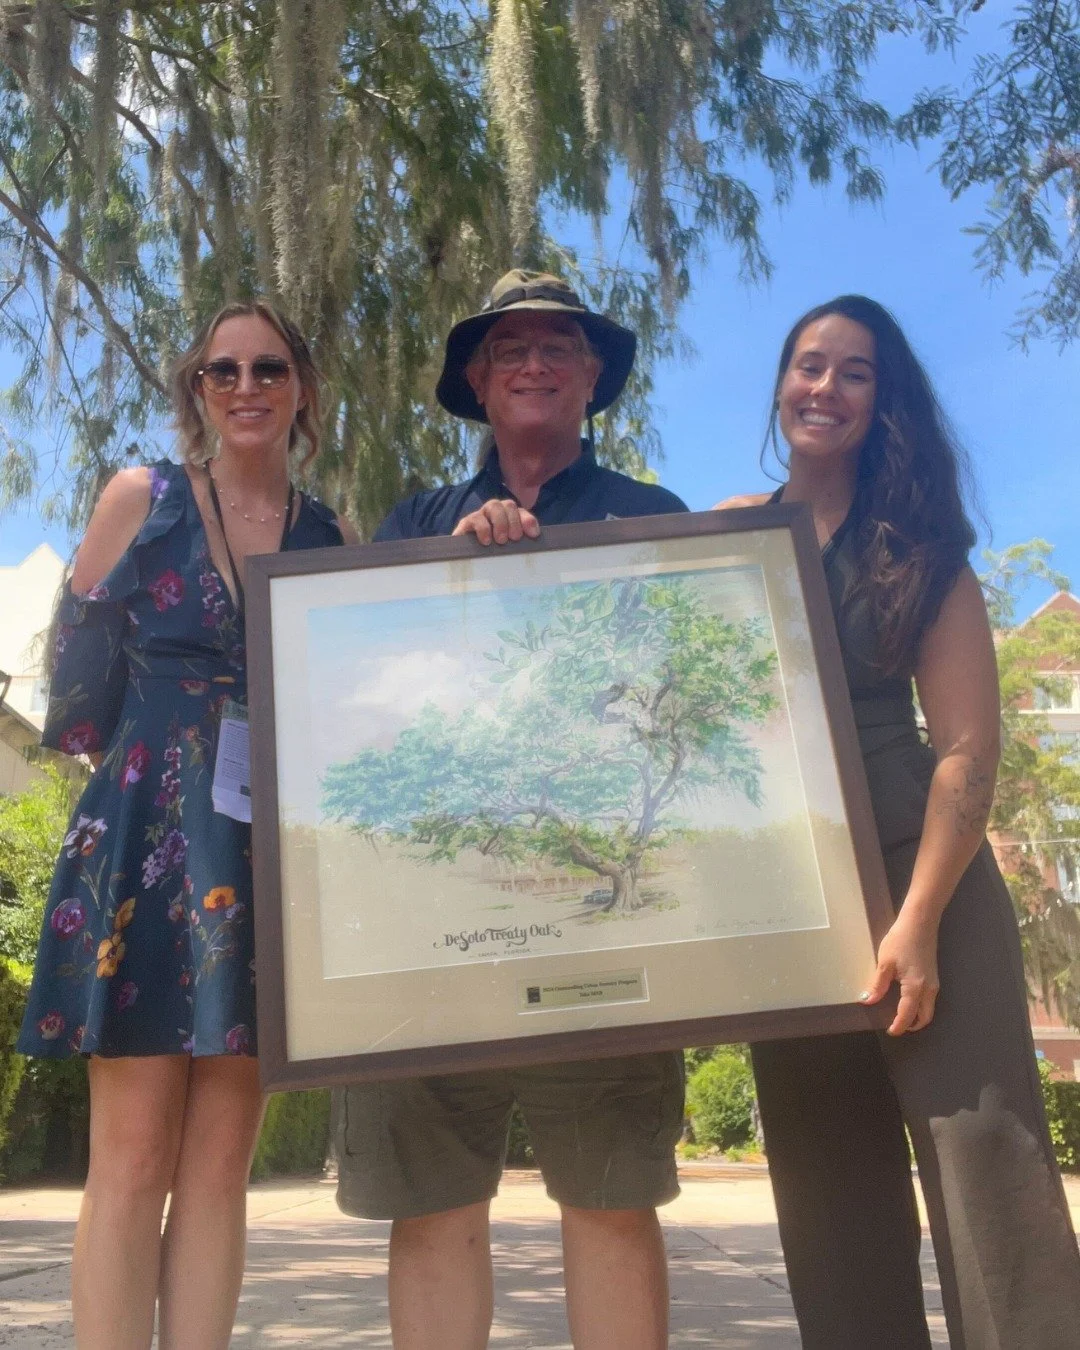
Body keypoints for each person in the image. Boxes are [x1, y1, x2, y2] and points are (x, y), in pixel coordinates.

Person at [715, 294, 1080, 1349]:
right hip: (790, 894)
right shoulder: (735, 528)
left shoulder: (922, 552)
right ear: (782, 384)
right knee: (828, 1193)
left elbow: (968, 750)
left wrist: (917, 920)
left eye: (854, 372)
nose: (824, 386)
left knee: (987, 1169)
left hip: (926, 879)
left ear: (884, 402)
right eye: (808, 365)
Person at [334, 269, 688, 1350]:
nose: (534, 364)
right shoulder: (415, 524)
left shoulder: (652, 521)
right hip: (439, 933)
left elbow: (695, 712)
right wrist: (452, 572)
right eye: (511, 350)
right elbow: (371, 698)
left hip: (604, 935)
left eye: (558, 348)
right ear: (479, 383)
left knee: (612, 1200)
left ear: (591, 378)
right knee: (432, 1209)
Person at [17, 300, 359, 1350]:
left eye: (268, 368)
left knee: (220, 1167)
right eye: (223, 371)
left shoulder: (328, 534)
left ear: (301, 389)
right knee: (130, 1158)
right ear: (196, 391)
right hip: (141, 842)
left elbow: (339, 714)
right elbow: (73, 702)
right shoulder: (143, 497)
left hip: (265, 864)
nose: (246, 387)